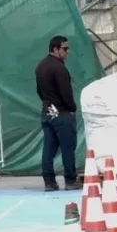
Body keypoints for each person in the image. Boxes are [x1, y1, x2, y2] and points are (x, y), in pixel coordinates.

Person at [36, 35, 82, 192]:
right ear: (55, 49)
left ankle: (49, 181)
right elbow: (66, 93)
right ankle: (70, 180)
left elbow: (39, 92)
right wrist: (72, 109)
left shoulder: (40, 66)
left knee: (48, 148)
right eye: (65, 49)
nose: (67, 52)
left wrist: (49, 105)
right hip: (61, 114)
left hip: (47, 112)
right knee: (67, 148)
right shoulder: (59, 68)